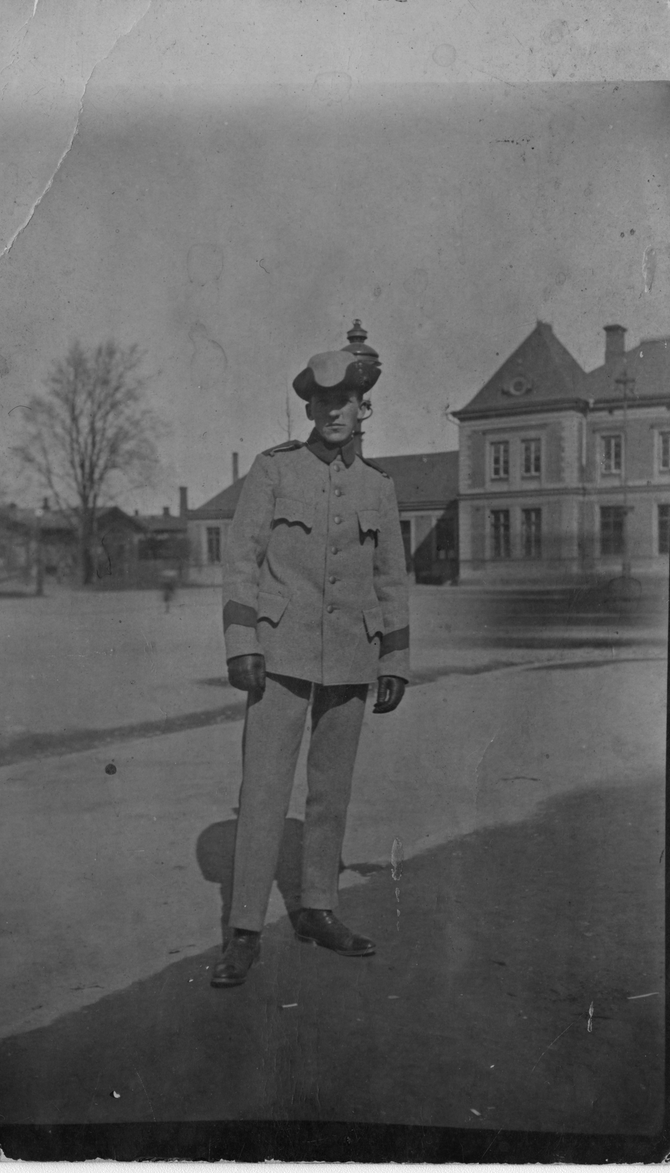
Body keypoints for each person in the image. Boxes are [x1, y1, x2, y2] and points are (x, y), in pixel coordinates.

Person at [211, 346, 409, 988]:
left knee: (331, 794)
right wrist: (243, 644)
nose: (333, 412)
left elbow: (391, 577)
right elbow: (240, 557)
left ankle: (318, 909)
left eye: (345, 402)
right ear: (310, 407)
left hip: (352, 656)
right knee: (262, 793)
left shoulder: (379, 487)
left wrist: (396, 659)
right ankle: (243, 929)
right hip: (280, 657)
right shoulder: (275, 471)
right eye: (322, 402)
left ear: (362, 407)